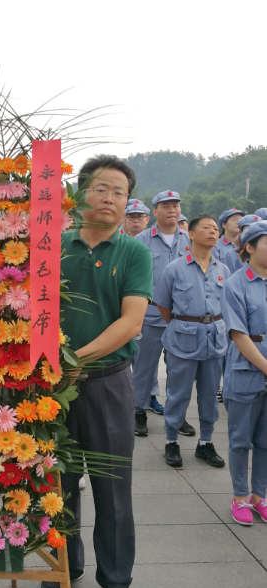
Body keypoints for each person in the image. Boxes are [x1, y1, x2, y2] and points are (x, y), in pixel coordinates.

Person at [40, 155, 152, 588]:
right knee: (56, 484)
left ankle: (117, 582)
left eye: (118, 192)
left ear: (127, 202)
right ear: (80, 191)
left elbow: (130, 321)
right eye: (100, 188)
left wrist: (74, 360)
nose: (108, 198)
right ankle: (64, 568)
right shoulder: (51, 246)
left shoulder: (133, 252)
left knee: (112, 485)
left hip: (106, 385)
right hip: (50, 392)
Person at [154, 215, 229, 468]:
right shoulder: (175, 268)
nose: (213, 232)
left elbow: (227, 305)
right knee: (178, 394)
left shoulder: (223, 269)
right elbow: (163, 305)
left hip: (215, 340)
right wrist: (183, 324)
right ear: (192, 235)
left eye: (216, 229)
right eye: (207, 228)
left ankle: (206, 443)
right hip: (183, 340)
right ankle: (171, 441)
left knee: (209, 394)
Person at [132, 191, 191, 437]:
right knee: (144, 368)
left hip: (181, 319)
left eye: (175, 205)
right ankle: (138, 412)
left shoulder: (190, 240)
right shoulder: (142, 240)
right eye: (165, 206)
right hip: (150, 316)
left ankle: (177, 416)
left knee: (179, 370)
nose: (171, 210)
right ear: (154, 213)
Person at [221, 220, 267, 526]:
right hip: (246, 369)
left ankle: (259, 495)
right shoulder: (235, 283)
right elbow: (239, 334)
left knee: (266, 439)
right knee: (240, 439)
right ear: (249, 248)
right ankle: (239, 496)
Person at [122, 200, 164, 414]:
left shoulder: (152, 244)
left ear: (148, 219)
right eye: (132, 217)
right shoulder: (117, 243)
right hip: (120, 311)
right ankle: (126, 400)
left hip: (148, 312)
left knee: (146, 360)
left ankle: (151, 396)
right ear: (125, 220)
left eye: (140, 217)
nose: (136, 221)